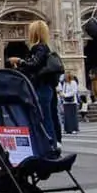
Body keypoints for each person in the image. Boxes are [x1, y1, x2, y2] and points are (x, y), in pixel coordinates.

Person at [8, 20, 65, 148]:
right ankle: (51, 144)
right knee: (47, 116)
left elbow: (34, 65)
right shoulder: (44, 47)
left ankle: (50, 145)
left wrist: (19, 61)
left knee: (44, 118)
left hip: (41, 88)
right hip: (45, 87)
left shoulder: (39, 47)